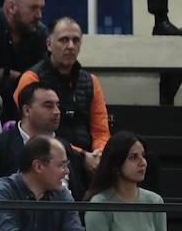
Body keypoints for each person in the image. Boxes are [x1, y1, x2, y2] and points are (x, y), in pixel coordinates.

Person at [10, 17, 109, 192]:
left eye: (76, 40)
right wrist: (81, 155)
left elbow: (101, 130)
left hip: (89, 156)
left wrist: (99, 153)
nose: (70, 45)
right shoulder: (32, 78)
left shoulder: (91, 81)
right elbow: (30, 130)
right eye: (64, 40)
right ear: (49, 44)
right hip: (47, 153)